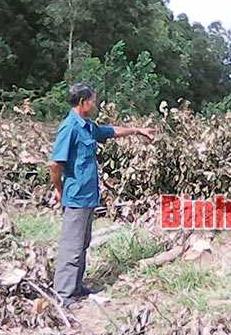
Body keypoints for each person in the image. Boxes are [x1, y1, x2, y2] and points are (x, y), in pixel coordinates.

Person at [49, 83, 155, 309]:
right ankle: (63, 296)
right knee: (71, 248)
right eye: (92, 101)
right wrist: (59, 189)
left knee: (82, 244)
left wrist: (137, 130)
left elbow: (111, 131)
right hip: (75, 197)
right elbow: (55, 164)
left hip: (88, 197)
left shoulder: (87, 126)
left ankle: (76, 287)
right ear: (82, 102)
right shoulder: (69, 127)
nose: (94, 104)